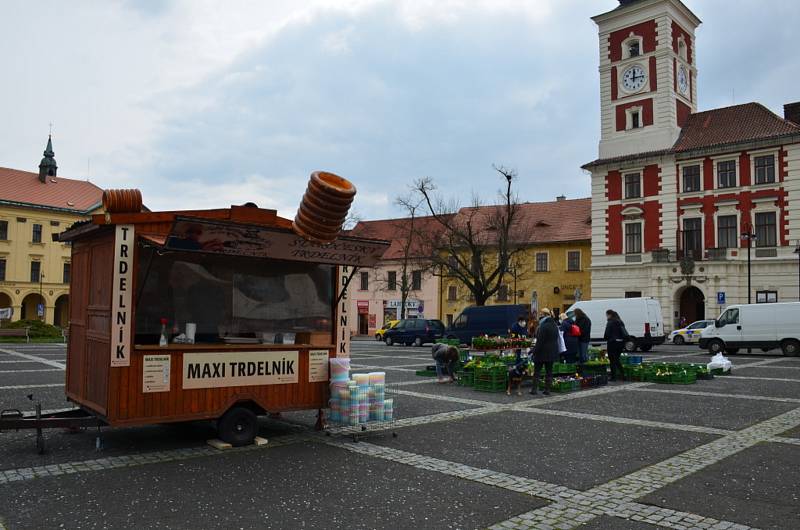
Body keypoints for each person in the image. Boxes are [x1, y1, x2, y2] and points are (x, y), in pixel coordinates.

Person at [531, 308, 559, 395]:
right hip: (552, 352)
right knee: (549, 372)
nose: (540, 317)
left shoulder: (543, 326)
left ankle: (534, 390)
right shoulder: (555, 325)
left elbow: (540, 341)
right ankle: (547, 390)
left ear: (544, 316)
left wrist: (534, 351)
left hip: (541, 352)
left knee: (537, 372)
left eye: (541, 315)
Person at [507, 315, 529, 396]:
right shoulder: (514, 327)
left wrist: (527, 344)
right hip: (517, 349)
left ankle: (518, 383)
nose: (525, 323)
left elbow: (526, 335)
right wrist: (514, 347)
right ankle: (513, 385)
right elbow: (513, 338)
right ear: (520, 321)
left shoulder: (524, 327)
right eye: (523, 321)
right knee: (516, 367)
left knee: (522, 366)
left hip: (523, 349)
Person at [603, 310, 628, 382]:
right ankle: (623, 375)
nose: (606, 317)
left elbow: (607, 333)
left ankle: (614, 377)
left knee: (612, 360)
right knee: (617, 359)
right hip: (621, 343)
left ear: (609, 315)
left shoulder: (610, 322)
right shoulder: (620, 321)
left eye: (607, 315)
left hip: (612, 342)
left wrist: (606, 338)